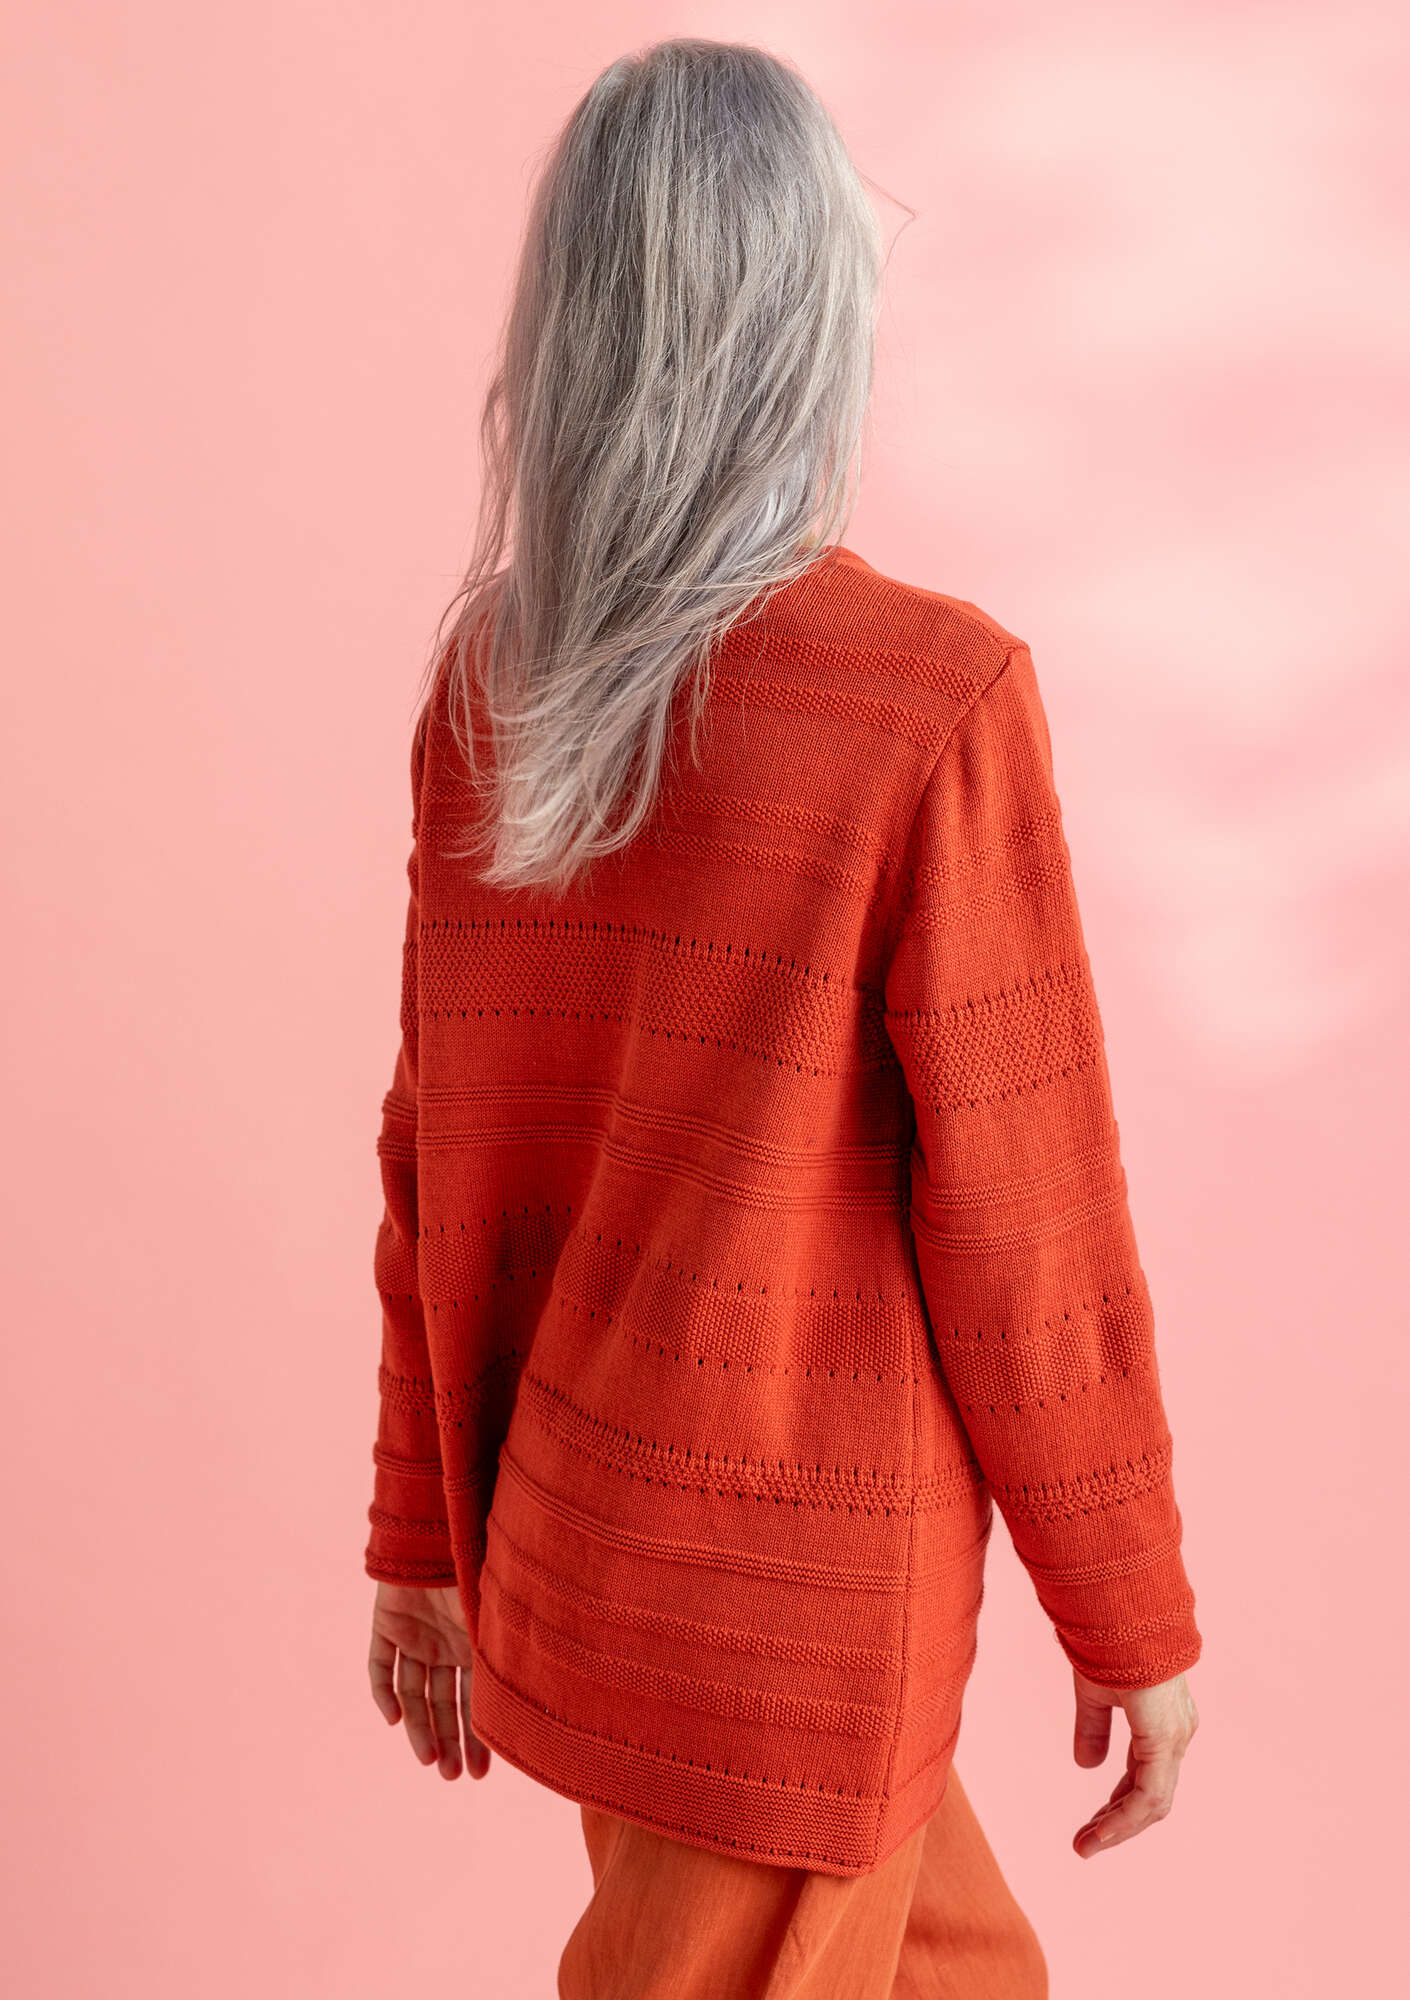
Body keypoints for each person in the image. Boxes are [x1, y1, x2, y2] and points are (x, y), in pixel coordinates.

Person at [360, 36, 1202, 1999]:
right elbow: (1030, 1226)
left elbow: (433, 1172)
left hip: (596, 1569)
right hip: (795, 1637)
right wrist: (1132, 1613)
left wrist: (423, 1539)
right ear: (816, 320)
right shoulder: (929, 701)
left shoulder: (496, 690)